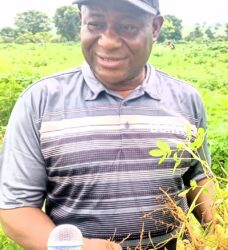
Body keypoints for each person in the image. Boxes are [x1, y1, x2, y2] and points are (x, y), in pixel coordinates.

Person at [0, 0, 214, 249]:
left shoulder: (186, 99)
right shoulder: (39, 101)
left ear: (155, 28)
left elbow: (200, 179)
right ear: (81, 20)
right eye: (95, 24)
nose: (108, 42)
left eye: (127, 27)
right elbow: (16, 209)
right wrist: (76, 247)